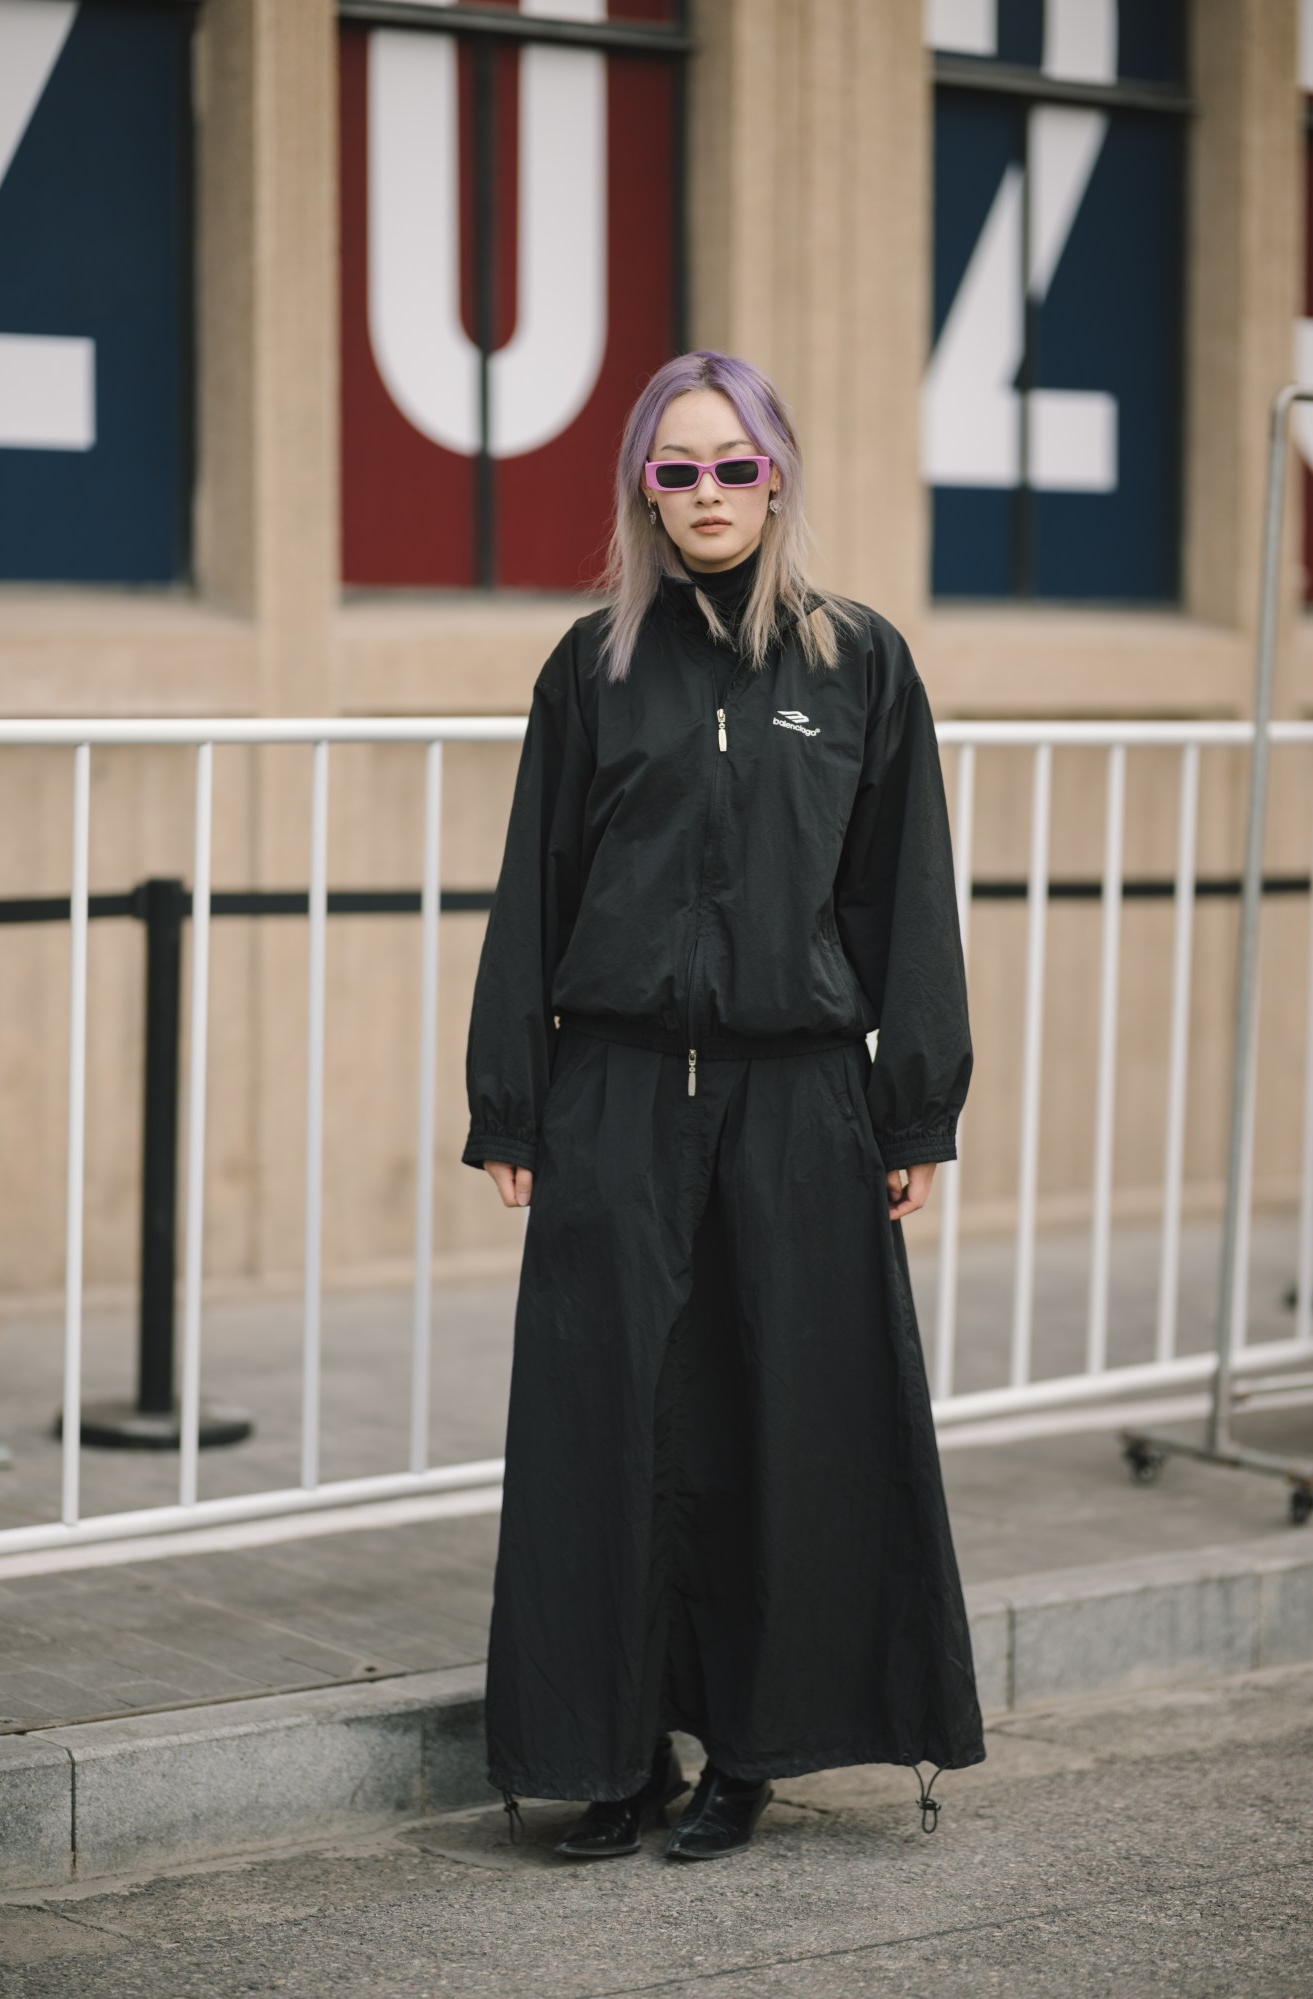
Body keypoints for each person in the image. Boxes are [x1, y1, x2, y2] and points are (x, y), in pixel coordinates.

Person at [460, 349, 984, 1864]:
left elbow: (906, 903)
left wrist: (912, 1111)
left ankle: (750, 1753)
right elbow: (532, 887)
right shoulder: (591, 667)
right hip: (615, 1092)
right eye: (674, 468)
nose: (704, 493)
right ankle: (607, 1759)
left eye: (730, 464)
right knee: (602, 1427)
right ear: (643, 486)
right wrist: (513, 1104)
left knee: (785, 1424)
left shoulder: (858, 664)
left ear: (778, 474)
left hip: (795, 1099)